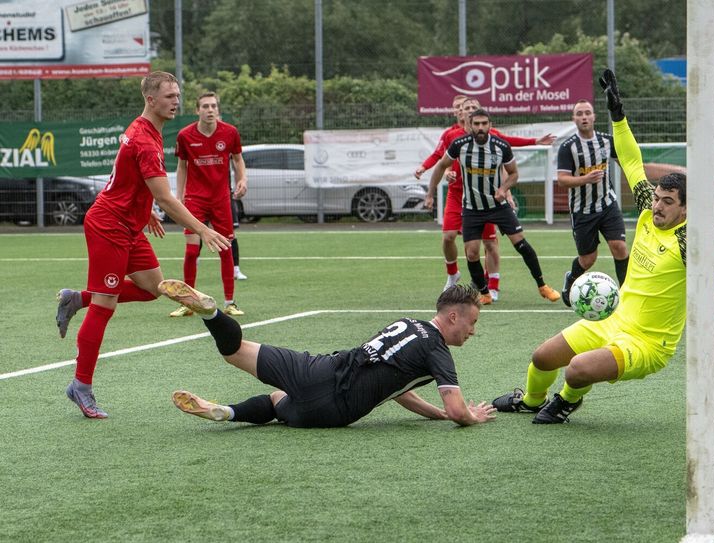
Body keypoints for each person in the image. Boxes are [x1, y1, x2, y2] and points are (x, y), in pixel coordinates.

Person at [491, 69, 714, 424]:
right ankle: (532, 400)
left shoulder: (689, 240)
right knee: (542, 357)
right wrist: (618, 115)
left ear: (686, 208)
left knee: (576, 370)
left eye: (667, 201)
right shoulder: (647, 212)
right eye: (657, 198)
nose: (657, 206)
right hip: (613, 320)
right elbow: (630, 161)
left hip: (647, 343)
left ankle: (566, 401)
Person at [55, 71, 231, 419]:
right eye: (169, 96)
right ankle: (81, 385)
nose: (176, 101)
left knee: (153, 288)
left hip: (129, 225)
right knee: (105, 305)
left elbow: (125, 176)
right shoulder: (145, 140)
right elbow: (166, 198)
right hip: (108, 226)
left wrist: (142, 208)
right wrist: (202, 229)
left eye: (177, 95)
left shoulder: (144, 130)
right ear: (151, 99)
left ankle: (78, 298)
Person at [158, 279, 497, 428]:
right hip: (332, 410)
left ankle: (211, 314)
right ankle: (228, 413)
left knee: (235, 351)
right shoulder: (437, 350)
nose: (473, 331)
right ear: (454, 317)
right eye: (472, 322)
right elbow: (457, 411)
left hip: (317, 369)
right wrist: (471, 417)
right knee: (277, 401)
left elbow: (397, 388)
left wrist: (435, 414)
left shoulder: (406, 323)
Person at [417, 97, 554, 302]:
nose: (480, 127)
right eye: (476, 123)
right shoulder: (457, 142)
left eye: (484, 123)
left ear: (490, 124)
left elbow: (513, 172)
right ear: (468, 123)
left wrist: (505, 189)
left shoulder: (499, 144)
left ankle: (541, 285)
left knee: (517, 244)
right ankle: (482, 291)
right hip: (470, 206)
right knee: (469, 251)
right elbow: (440, 163)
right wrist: (431, 191)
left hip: (496, 205)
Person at [557, 99, 683, 306]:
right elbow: (562, 179)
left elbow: (630, 163)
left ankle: (626, 295)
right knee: (588, 259)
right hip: (583, 210)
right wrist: (586, 179)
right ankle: (571, 278)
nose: (584, 117)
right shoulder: (567, 147)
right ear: (574, 119)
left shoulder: (607, 141)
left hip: (608, 205)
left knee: (620, 248)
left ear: (594, 116)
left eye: (587, 113)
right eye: (579, 114)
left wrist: (668, 174)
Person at [168, 92, 248, 318]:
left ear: (218, 109)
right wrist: (179, 196)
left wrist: (243, 179)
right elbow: (182, 166)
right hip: (195, 199)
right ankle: (188, 303)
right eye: (205, 106)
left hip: (221, 199)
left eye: (213, 106)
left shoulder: (230, 132)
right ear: (197, 110)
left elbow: (238, 160)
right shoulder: (185, 135)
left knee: (225, 249)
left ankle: (230, 303)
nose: (210, 110)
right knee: (192, 250)